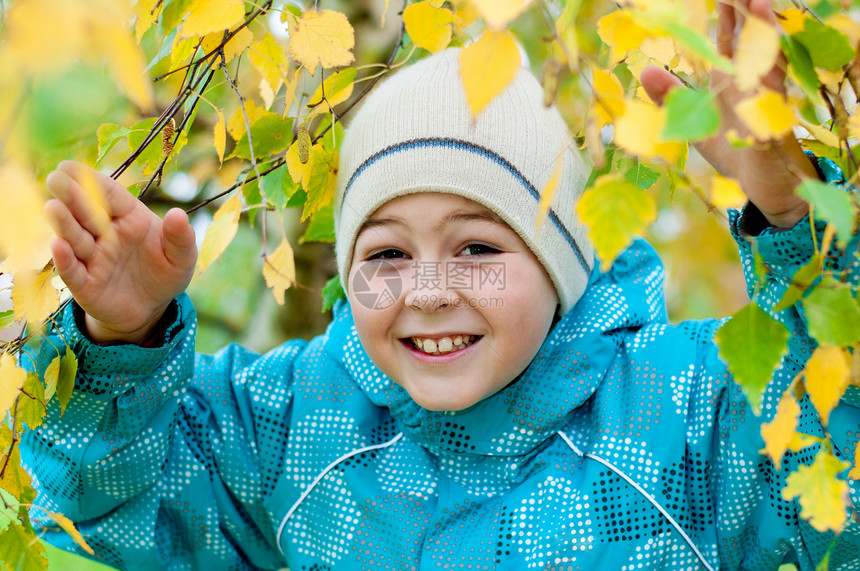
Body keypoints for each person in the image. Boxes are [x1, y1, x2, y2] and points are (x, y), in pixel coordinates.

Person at [20, 0, 859, 569]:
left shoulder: (681, 410)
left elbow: (842, 465)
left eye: (477, 247)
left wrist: (791, 214)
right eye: (384, 254)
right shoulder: (301, 423)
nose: (425, 289)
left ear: (560, 260)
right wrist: (123, 336)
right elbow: (126, 497)